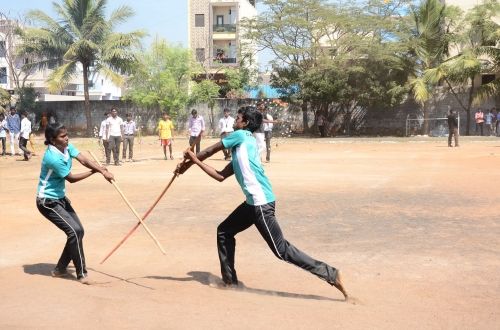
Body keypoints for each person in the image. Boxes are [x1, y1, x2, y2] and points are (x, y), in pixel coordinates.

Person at [176, 106, 350, 301]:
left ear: (245, 124)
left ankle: (331, 274)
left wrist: (188, 162)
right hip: (252, 203)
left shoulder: (241, 135)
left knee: (281, 250)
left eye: (238, 118)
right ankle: (230, 282)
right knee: (224, 231)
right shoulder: (242, 149)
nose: (235, 121)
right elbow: (220, 176)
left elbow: (209, 150)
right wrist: (190, 164)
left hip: (260, 203)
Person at [36, 122, 114, 284]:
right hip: (47, 202)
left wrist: (102, 170)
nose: (67, 138)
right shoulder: (52, 157)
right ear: (52, 139)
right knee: (75, 231)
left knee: (78, 231)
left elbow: (83, 159)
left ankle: (60, 269)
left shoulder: (66, 148)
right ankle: (81, 273)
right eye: (62, 136)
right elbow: (71, 178)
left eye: (66, 135)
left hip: (60, 198)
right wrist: (95, 171)